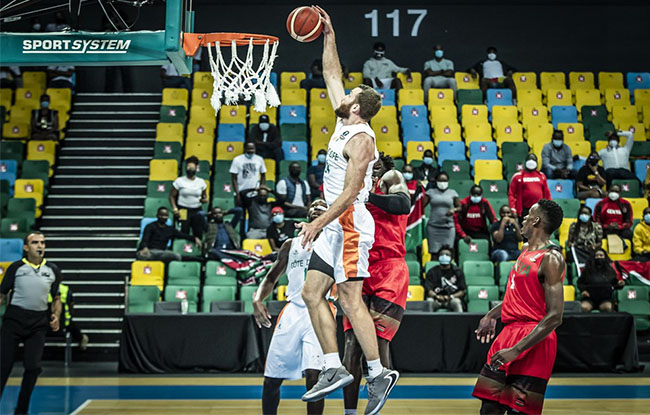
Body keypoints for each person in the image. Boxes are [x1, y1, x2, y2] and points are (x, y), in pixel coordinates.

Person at [297, 7, 398, 415]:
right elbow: (331, 72)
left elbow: (353, 191)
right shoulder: (344, 123)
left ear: (357, 107)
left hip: (351, 222)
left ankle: (377, 373)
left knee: (352, 300)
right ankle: (333, 367)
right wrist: (329, 34)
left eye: (350, 95)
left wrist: (318, 222)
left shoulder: (362, 140)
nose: (344, 95)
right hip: (334, 225)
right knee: (311, 293)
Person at [472, 199, 566, 415]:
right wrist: (491, 315)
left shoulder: (551, 258)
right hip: (509, 333)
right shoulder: (524, 250)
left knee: (520, 411)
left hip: (534, 338)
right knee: (489, 409)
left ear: (536, 220)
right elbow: (517, 297)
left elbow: (555, 316)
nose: (523, 219)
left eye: (528, 215)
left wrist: (516, 350)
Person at [342, 153, 411, 414]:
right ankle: (349, 411)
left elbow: (403, 204)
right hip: (358, 266)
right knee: (351, 343)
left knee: (379, 341)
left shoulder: (391, 177)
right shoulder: (354, 186)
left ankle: (375, 404)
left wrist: (367, 196)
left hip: (389, 268)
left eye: (375, 164)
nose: (370, 167)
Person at [254, 200, 330, 415]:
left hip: (320, 310)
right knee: (272, 379)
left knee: (314, 378)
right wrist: (258, 299)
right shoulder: (291, 244)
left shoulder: (333, 242)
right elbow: (271, 278)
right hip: (293, 310)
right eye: (313, 206)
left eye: (322, 205)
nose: (316, 207)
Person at [0, 231, 63, 415]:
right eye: (35, 242)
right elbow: (2, 294)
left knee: (33, 367)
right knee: (3, 367)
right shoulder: (16, 267)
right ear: (26, 248)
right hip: (14, 320)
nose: (40, 246)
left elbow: (56, 298)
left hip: (38, 322)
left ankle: (21, 410)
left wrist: (56, 315)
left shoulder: (52, 270)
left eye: (42, 242)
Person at [137, 207, 202, 262]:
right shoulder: (150, 226)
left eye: (165, 216)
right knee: (141, 255)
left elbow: (182, 235)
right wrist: (145, 248)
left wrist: (195, 238)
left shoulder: (170, 229)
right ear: (157, 215)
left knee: (175, 256)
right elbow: (145, 239)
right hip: (150, 251)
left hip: (163, 252)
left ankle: (198, 259)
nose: (163, 217)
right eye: (161, 215)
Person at [169, 156, 208, 239]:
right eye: (188, 167)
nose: (190, 170)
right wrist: (175, 208)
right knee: (183, 231)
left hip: (197, 210)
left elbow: (205, 197)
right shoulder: (179, 181)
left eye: (192, 168)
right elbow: (172, 196)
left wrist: (204, 200)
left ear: (196, 168)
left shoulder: (201, 182)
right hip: (183, 209)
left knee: (198, 231)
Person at [425, 171, 460, 259]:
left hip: (448, 227)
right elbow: (420, 205)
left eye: (445, 181)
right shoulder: (430, 192)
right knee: (434, 254)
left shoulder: (453, 193)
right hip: (433, 227)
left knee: (448, 253)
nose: (442, 183)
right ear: (436, 181)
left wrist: (454, 210)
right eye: (440, 181)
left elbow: (460, 207)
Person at [578, 248, 623, 313]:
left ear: (605, 257)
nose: (599, 257)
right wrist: (583, 291)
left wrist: (620, 284)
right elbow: (580, 283)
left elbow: (614, 284)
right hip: (589, 298)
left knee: (608, 307)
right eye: (597, 255)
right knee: (584, 307)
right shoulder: (587, 271)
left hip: (605, 299)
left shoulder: (610, 271)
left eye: (601, 255)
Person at [422, 246, 466, 312]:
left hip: (451, 299)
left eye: (447, 255)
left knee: (456, 302)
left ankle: (460, 319)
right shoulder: (432, 271)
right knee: (429, 301)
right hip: (436, 299)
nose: (444, 256)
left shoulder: (458, 271)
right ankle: (428, 319)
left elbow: (462, 291)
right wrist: (436, 296)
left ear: (451, 258)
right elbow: (428, 290)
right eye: (442, 255)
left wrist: (451, 297)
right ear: (438, 257)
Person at [230, 142, 267, 219]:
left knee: (254, 217)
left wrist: (261, 188)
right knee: (241, 217)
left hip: (254, 194)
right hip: (240, 193)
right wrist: (237, 194)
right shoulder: (237, 160)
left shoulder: (259, 159)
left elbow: (263, 175)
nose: (250, 151)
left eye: (252, 148)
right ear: (244, 149)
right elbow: (234, 178)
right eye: (248, 148)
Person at [47, 283, 89, 351]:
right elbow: (71, 306)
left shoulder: (39, 289)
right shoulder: (65, 290)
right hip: (63, 325)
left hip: (42, 325)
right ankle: (81, 339)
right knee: (70, 324)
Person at [508, 153, 551, 219]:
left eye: (533, 159)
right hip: (524, 209)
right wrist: (513, 208)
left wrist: (548, 207)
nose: (531, 161)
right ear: (525, 162)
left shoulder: (541, 176)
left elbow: (547, 194)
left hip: (539, 209)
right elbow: (511, 194)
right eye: (529, 159)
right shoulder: (518, 176)